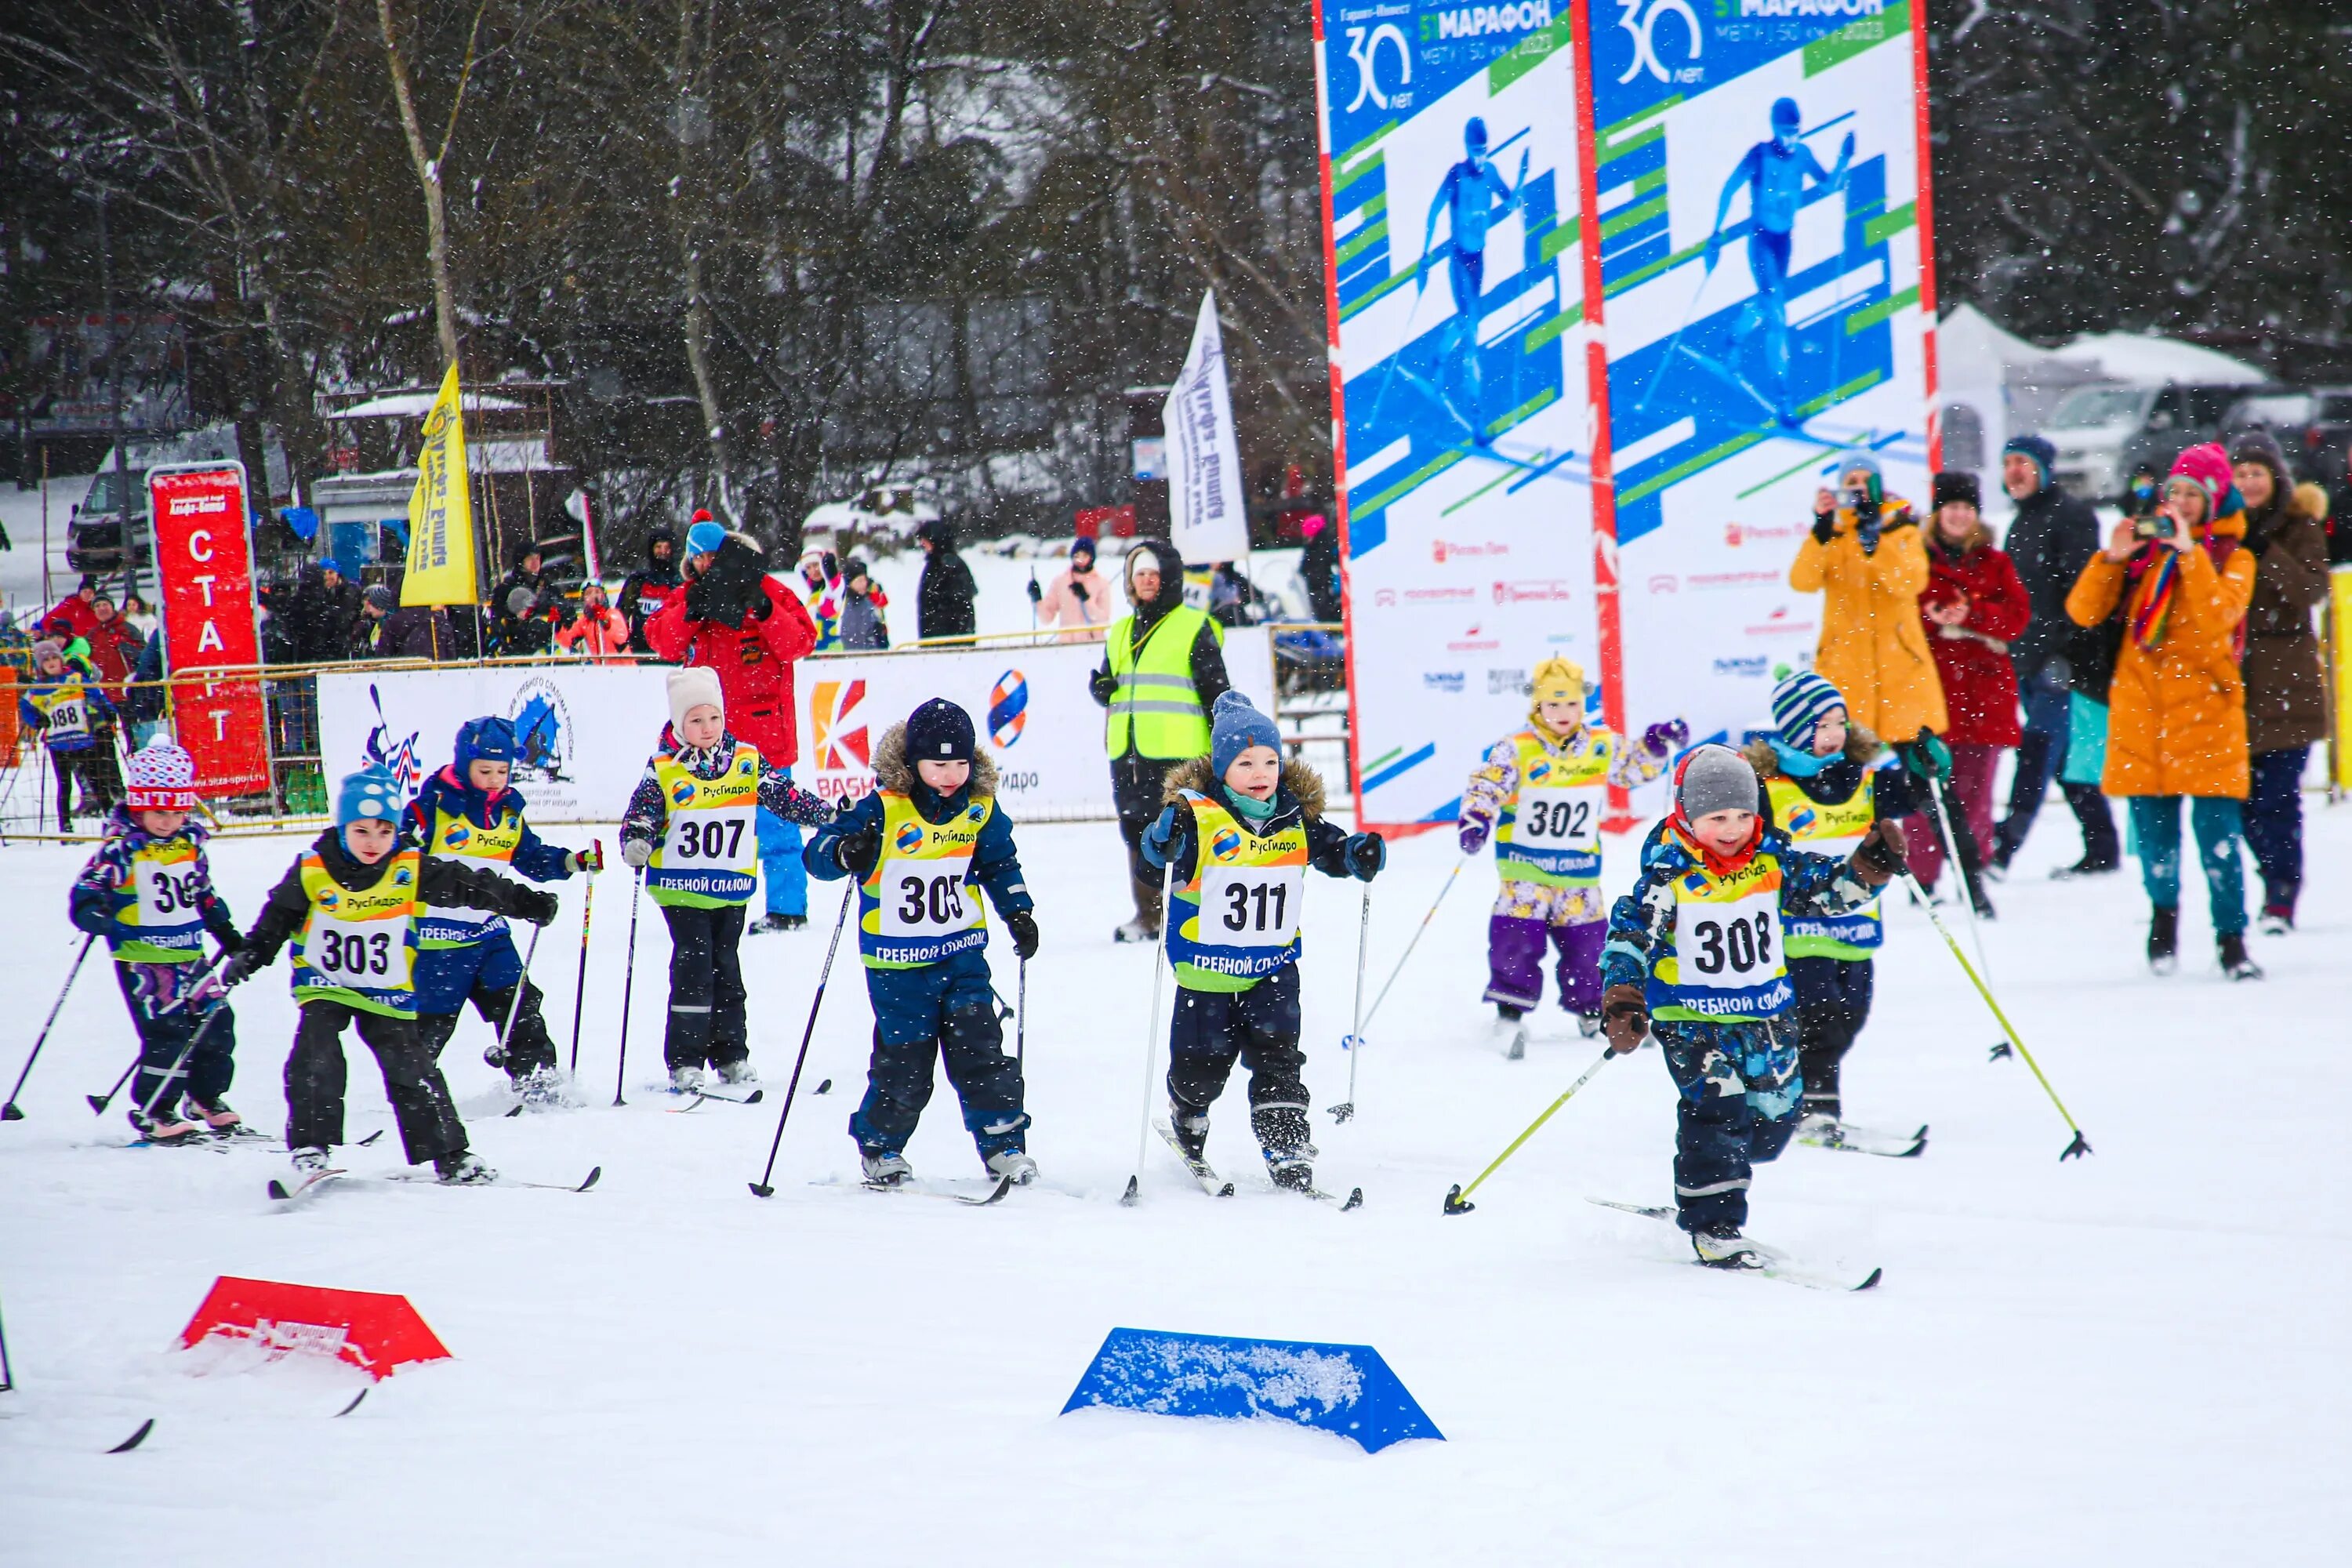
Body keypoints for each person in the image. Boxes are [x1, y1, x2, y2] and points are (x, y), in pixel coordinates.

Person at [1598, 746, 1907, 1263]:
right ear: (1687, 815)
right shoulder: (1669, 875)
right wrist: (1624, 995)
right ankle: (1712, 1221)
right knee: (1717, 1113)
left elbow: (1825, 891)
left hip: (1767, 1017)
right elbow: (1631, 936)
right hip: (1694, 1022)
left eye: (1743, 815)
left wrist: (1867, 866)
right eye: (1717, 817)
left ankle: (1713, 1178)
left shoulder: (1771, 859)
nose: (1733, 827)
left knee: (1770, 1125)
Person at [218, 766, 561, 1185]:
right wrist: (251, 954)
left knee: (413, 1068)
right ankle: (311, 1146)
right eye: (362, 831)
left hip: (386, 990)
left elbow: (471, 886)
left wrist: (527, 902)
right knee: (316, 1053)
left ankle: (450, 1154)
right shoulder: (313, 868)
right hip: (327, 982)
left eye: (384, 831)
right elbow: (278, 917)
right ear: (343, 826)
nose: (373, 842)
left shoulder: (408, 867)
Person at [1139, 691, 1384, 1192]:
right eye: (1246, 762)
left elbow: (1333, 851)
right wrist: (1163, 843)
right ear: (1222, 768)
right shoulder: (1196, 815)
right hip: (1205, 972)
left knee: (1279, 1058)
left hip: (1272, 968)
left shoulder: (1295, 816)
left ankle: (1287, 1143)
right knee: (1201, 1065)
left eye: (1270, 761)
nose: (1261, 772)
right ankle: (1187, 1112)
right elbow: (1154, 863)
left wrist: (1356, 853)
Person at [804, 699, 1040, 1188]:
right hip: (898, 964)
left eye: (961, 763)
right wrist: (849, 851)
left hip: (961, 956)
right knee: (905, 1063)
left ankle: (1003, 1143)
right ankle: (881, 1147)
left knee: (982, 1049)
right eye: (938, 764)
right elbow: (819, 854)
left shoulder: (980, 809)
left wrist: (1018, 910)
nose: (951, 774)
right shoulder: (882, 808)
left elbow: (1000, 863)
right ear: (912, 763)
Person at [2065, 443, 2260, 980]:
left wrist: (2190, 555)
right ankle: (2163, 926)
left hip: (2208, 718)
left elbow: (2216, 619)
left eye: (2192, 495)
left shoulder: (2233, 557)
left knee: (2219, 841)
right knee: (2155, 841)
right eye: (2173, 492)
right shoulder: (2144, 557)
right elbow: (2083, 612)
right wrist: (2112, 558)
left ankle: (2232, 939)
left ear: (2214, 500)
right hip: (2143, 715)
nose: (2179, 502)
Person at [619, 669, 835, 1090]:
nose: (707, 729)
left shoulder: (746, 760)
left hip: (730, 890)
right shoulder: (664, 768)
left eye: (714, 719)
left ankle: (732, 1055)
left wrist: (827, 815)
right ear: (679, 724)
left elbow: (785, 797)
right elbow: (641, 814)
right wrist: (637, 841)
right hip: (681, 891)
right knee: (695, 968)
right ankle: (685, 1060)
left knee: (728, 971)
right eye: (696, 721)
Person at [1791, 452, 1987, 913]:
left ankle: (1973, 884)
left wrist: (1872, 540)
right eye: (1850, 481)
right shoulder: (1832, 533)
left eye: (1866, 481)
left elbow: (1908, 583)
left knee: (1935, 791)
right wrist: (1822, 531)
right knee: (1840, 788)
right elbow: (1801, 581)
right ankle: (1842, 884)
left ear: (1881, 486)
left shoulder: (1900, 529)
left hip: (1904, 687)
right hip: (1848, 685)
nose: (1859, 489)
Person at [1457, 657, 1684, 1049]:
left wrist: (1654, 745)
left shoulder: (1600, 745)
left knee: (1590, 948)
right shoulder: (1518, 749)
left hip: (1579, 873)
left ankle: (1591, 1013)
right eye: (1553, 705)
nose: (1564, 713)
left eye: (1572, 705)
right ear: (1538, 707)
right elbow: (1488, 784)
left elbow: (1634, 769)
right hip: (1525, 871)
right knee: (1516, 945)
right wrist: (1476, 817)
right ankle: (1509, 1016)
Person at [1746, 672, 1925, 1142]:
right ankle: (1815, 1106)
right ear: (1797, 730)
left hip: (1855, 923)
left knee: (1852, 1015)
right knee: (1816, 1014)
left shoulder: (1864, 777)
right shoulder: (1770, 785)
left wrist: (1924, 770)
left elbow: (1912, 799)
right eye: (1821, 725)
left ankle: (1785, 1093)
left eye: (1840, 723)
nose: (1834, 734)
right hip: (1799, 927)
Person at [401, 717, 601, 1102]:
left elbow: (530, 856)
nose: (495, 779)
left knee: (519, 1005)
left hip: (489, 934)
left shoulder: (508, 812)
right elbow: (398, 857)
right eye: (485, 771)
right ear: (463, 765)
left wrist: (571, 862)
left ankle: (536, 1077)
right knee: (431, 1022)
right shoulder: (433, 807)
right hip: (436, 939)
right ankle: (413, 1088)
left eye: (503, 771)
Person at [648, 521, 822, 934]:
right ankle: (709, 905)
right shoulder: (687, 595)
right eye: (700, 558)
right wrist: (692, 611)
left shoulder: (769, 589)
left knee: (779, 827)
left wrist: (763, 608)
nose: (708, 564)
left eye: (713, 556)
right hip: (705, 739)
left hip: (764, 736)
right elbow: (662, 642)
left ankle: (787, 908)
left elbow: (800, 642)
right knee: (709, 829)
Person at [67, 740, 247, 1142]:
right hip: (144, 961)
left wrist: (229, 934)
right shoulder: (122, 850)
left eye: (178, 811)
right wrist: (97, 916)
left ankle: (205, 1097)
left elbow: (203, 894)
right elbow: (85, 893)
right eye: (158, 812)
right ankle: (155, 1109)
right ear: (139, 807)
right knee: (169, 1033)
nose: (169, 821)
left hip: (190, 954)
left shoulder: (190, 845)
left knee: (218, 1022)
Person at [1089, 541, 1232, 942]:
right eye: (1139, 574)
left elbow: (1215, 691)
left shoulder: (1193, 625)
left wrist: (1224, 745)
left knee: (1184, 836)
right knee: (1137, 832)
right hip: (1128, 752)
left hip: (1179, 754)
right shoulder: (1119, 631)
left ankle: (1191, 916)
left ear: (1169, 579)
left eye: (1154, 574)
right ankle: (1148, 916)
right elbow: (1111, 680)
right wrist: (1102, 687)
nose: (1147, 581)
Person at [1990, 434, 2118, 879]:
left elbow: (2085, 594)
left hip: (2060, 664)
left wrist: (2065, 651)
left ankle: (2003, 847)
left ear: (2044, 469)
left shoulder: (2071, 516)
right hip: (2026, 661)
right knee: (2063, 761)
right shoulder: (2020, 522)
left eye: (2023, 463)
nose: (2015, 472)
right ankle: (2104, 847)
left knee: (2038, 752)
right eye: (2008, 464)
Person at [1908, 472, 2031, 897]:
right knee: (1927, 790)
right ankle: (1922, 878)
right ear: (1938, 513)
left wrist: (1972, 613)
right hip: (1931, 694)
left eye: (1967, 508)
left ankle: (1971, 874)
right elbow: (1899, 617)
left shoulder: (1996, 562)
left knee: (1976, 792)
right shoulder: (1915, 559)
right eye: (1951, 507)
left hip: (1986, 695)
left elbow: (2017, 618)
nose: (1959, 515)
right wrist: (1933, 617)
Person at [2228, 434, 2329, 934]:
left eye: (2257, 474)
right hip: (2234, 689)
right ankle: (2270, 878)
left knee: (2278, 799)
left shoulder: (2298, 527)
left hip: (2288, 687)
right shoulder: (2219, 531)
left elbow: (2310, 589)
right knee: (2242, 802)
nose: (2249, 483)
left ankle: (2282, 894)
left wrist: (2263, 549)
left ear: (2275, 480)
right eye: (2240, 474)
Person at [1703, 97, 1853, 424]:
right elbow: (1729, 189)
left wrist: (1843, 159)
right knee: (1777, 313)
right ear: (1774, 128)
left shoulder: (1803, 155)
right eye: (1785, 131)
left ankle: (1733, 338)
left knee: (1768, 302)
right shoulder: (1760, 154)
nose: (1791, 138)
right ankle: (1784, 400)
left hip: (1784, 242)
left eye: (1796, 132)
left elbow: (1829, 186)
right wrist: (1716, 233)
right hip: (1760, 240)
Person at [1418, 116, 1529, 439]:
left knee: (1468, 321)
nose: (1479, 155)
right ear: (1466, 148)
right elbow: (1433, 211)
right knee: (1472, 334)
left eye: (1484, 150)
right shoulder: (1457, 175)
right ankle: (1478, 420)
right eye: (1475, 150)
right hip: (1459, 259)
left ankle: (1438, 355)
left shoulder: (1491, 173)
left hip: (1479, 260)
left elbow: (1510, 204)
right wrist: (1425, 255)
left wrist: (1521, 178)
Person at [20, 637, 122, 830]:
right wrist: (37, 721)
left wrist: (107, 711)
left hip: (83, 739)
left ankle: (111, 820)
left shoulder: (75, 678)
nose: (51, 663)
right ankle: (65, 823)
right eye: (46, 660)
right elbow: (26, 707)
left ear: (61, 660)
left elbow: (96, 694)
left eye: (54, 658)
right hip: (58, 742)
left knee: (97, 781)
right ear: (41, 665)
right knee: (65, 784)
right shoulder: (39, 688)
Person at [618, 523, 684, 655]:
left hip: (671, 649)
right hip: (640, 648)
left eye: (667, 547)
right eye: (659, 547)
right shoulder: (638, 580)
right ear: (652, 549)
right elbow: (621, 614)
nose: (663, 551)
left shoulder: (680, 582)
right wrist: (621, 641)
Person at [1029, 536, 1110, 641]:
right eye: (1077, 556)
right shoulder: (1061, 582)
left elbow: (1103, 620)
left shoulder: (1101, 583)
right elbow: (1046, 619)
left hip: (1092, 643)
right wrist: (1037, 599)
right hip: (1066, 645)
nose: (1080, 560)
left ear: (1092, 557)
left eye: (1085, 555)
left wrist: (1086, 600)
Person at [915, 517, 978, 641]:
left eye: (925, 539)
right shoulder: (934, 565)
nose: (922, 543)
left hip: (950, 640)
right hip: (935, 638)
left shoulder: (952, 566)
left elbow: (960, 606)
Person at [82, 593, 144, 699]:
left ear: (112, 607)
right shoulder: (92, 635)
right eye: (97, 606)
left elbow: (142, 654)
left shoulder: (127, 628)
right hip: (105, 694)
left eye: (105, 604)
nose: (102, 608)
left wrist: (124, 644)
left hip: (127, 690)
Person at [556, 581, 633, 662]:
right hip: (600, 670)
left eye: (597, 592)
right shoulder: (585, 621)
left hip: (623, 669)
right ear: (583, 599)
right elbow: (566, 640)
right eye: (588, 593)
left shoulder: (613, 614)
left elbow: (621, 638)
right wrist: (558, 625)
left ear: (604, 595)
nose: (593, 596)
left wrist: (605, 622)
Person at [1298, 514, 1344, 625]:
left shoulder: (1316, 545)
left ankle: (1328, 630)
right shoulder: (1326, 542)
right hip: (1325, 585)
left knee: (1323, 614)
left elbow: (1308, 566)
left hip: (1320, 586)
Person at [799, 549, 844, 652]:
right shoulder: (815, 591)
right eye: (808, 567)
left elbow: (835, 583)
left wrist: (830, 565)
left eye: (816, 565)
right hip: (813, 652)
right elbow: (798, 570)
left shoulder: (833, 589)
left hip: (833, 653)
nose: (813, 571)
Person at [840, 558, 890, 650]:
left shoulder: (868, 597)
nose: (863, 584)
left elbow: (882, 604)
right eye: (859, 581)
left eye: (864, 580)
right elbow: (854, 635)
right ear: (850, 584)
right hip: (861, 655)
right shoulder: (849, 604)